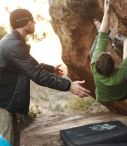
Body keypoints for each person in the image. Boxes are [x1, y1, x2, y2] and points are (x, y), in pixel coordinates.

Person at [0, 9, 90, 145]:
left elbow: (28, 65)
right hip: (3, 104)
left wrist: (51, 69)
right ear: (25, 23)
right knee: (7, 142)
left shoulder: (12, 41)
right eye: (32, 20)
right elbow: (37, 75)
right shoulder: (13, 45)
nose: (34, 22)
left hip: (6, 101)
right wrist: (69, 85)